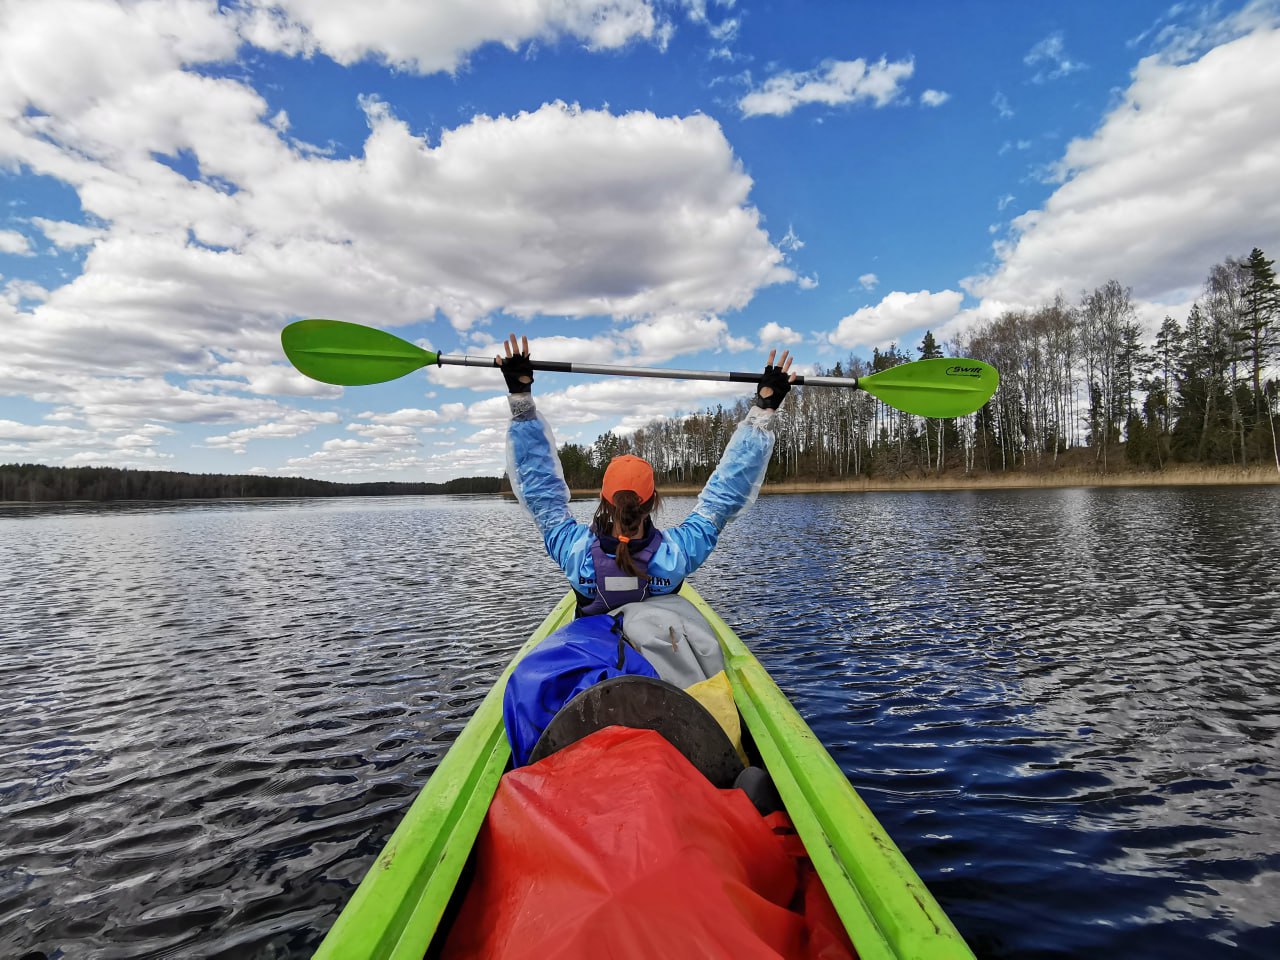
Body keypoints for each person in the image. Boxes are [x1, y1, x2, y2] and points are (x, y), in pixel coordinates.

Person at [497, 333, 796, 616]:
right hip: (658, 650)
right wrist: (764, 407)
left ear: (604, 499)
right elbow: (725, 495)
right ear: (653, 501)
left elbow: (540, 491)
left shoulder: (575, 553)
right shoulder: (677, 553)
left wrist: (521, 398)